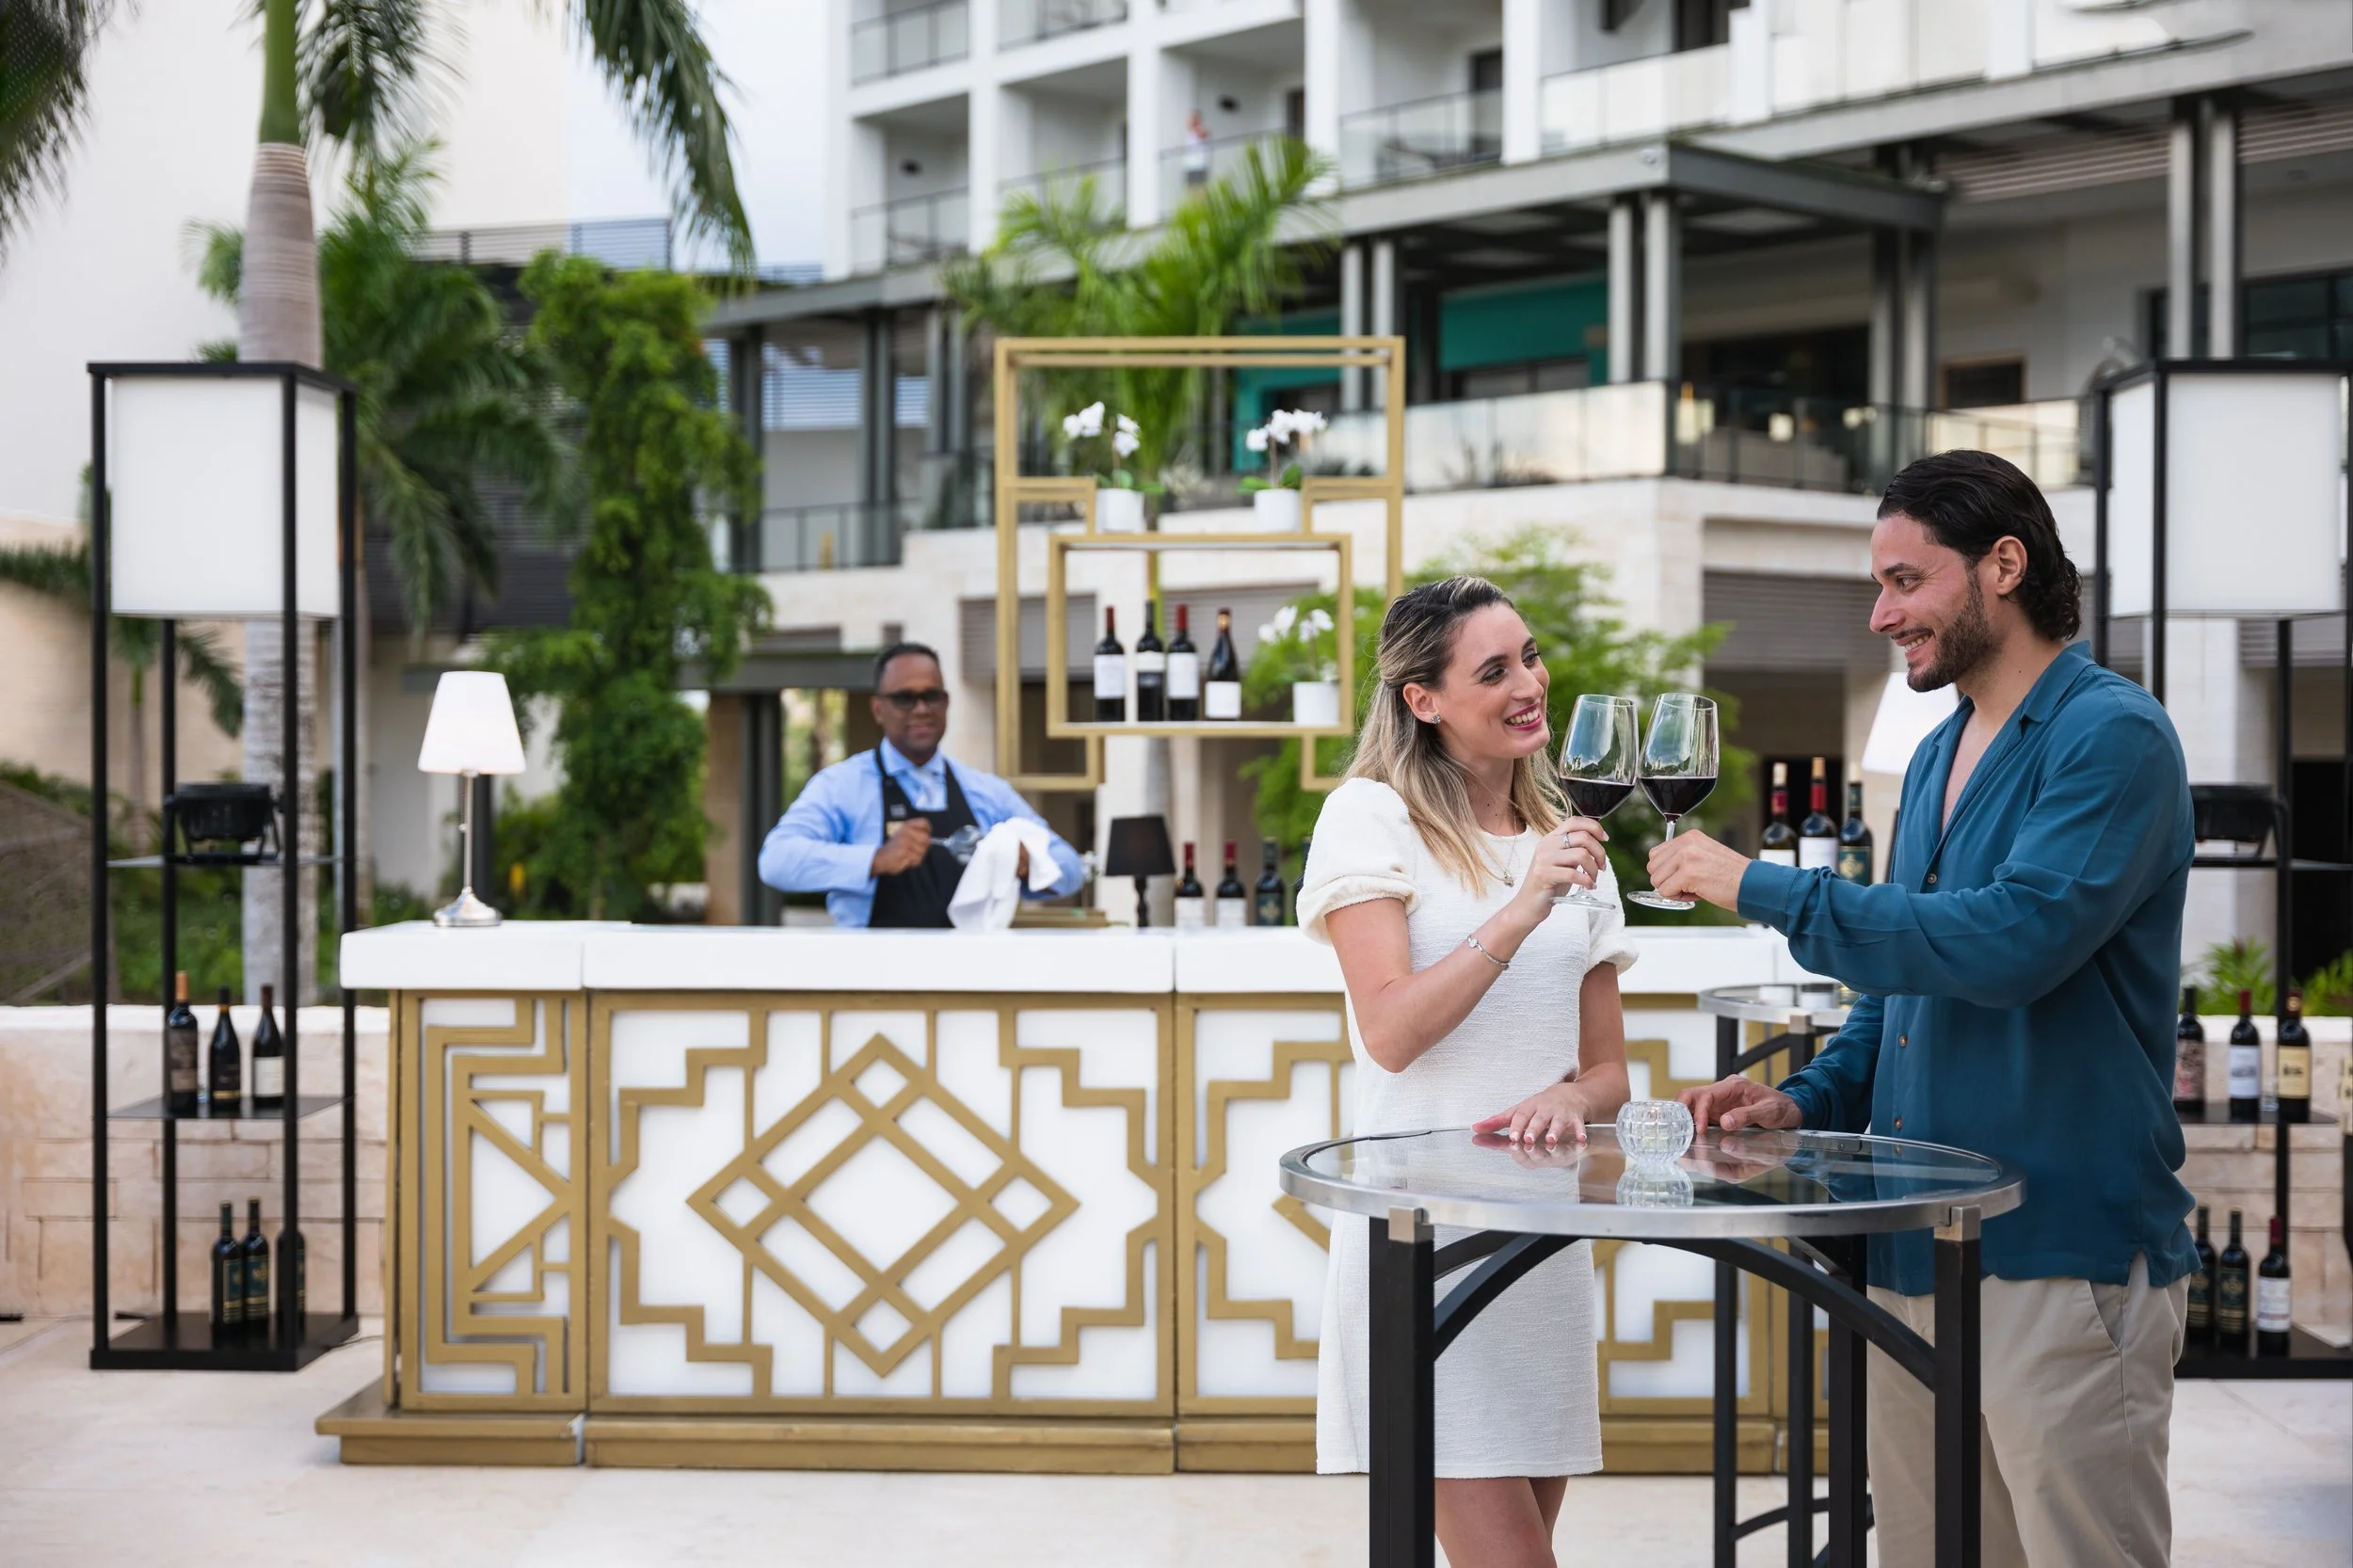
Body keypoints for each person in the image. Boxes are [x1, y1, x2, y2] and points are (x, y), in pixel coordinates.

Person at [1649, 450, 2196, 1568]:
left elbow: (2010, 944)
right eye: (1878, 583)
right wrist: (1801, 1102)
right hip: (1916, 1250)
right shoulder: (1940, 747)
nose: (1880, 612)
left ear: (2003, 564)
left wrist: (1761, 885)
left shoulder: (2114, 736)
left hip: (2060, 1248)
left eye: (1906, 580)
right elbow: (1899, 991)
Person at [1298, 576, 1636, 1568]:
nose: (1529, 682)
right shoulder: (1369, 818)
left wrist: (1571, 1094)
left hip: (1542, 1250)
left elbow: (1611, 1068)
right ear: (1423, 699)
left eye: (1528, 655)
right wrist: (1521, 905)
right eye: (1493, 670)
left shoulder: (1571, 840)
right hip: (1424, 1243)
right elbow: (1392, 1031)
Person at [760, 642, 1086, 928]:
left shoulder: (985, 792)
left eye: (932, 697)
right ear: (878, 708)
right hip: (872, 979)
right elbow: (776, 861)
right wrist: (875, 859)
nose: (921, 709)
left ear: (946, 703)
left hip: (966, 980)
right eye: (905, 698)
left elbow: (1069, 866)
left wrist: (1028, 863)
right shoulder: (841, 786)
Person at [1183, 109, 1212, 189]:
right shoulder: (1189, 133)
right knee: (1191, 190)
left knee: (1200, 191)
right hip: (1190, 167)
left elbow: (1202, 134)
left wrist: (1194, 126)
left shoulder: (1202, 129)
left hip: (1200, 166)